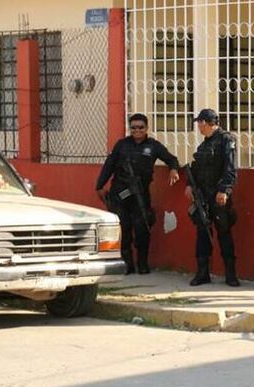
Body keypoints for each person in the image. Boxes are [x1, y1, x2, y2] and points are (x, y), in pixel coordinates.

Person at [96, 113, 180, 275]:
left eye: (140, 127)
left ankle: (142, 264)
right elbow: (109, 165)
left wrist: (174, 169)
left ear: (146, 128)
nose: (137, 131)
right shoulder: (121, 145)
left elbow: (171, 158)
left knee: (143, 230)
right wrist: (99, 186)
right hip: (120, 194)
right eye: (133, 128)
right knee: (124, 230)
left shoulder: (153, 146)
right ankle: (127, 264)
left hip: (140, 194)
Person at [185, 108, 239, 287]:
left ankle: (230, 274)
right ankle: (202, 272)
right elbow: (196, 168)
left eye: (200, 123)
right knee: (202, 233)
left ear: (205, 123)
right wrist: (189, 185)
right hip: (203, 195)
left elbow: (230, 168)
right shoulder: (204, 145)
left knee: (224, 231)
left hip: (218, 195)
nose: (199, 127)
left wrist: (224, 190)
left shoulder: (226, 140)